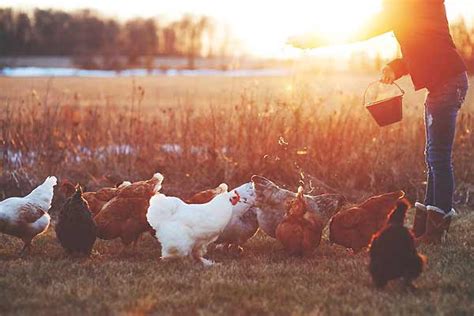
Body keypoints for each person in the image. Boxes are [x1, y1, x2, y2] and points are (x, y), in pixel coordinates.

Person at [290, 0, 469, 244]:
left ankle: (436, 232)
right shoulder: (417, 9)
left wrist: (312, 40)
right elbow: (427, 46)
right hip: (443, 84)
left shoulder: (409, 7)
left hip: (448, 84)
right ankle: (427, 226)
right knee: (432, 156)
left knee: (438, 158)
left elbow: (360, 30)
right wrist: (396, 68)